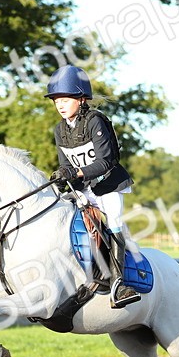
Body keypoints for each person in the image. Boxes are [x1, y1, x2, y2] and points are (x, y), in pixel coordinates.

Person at [46, 65, 140, 308]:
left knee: (113, 221)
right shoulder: (60, 130)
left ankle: (120, 283)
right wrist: (63, 176)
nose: (60, 105)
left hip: (109, 184)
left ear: (81, 99)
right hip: (85, 187)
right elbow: (65, 163)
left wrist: (76, 172)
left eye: (65, 99)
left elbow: (107, 161)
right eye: (56, 100)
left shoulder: (95, 121)